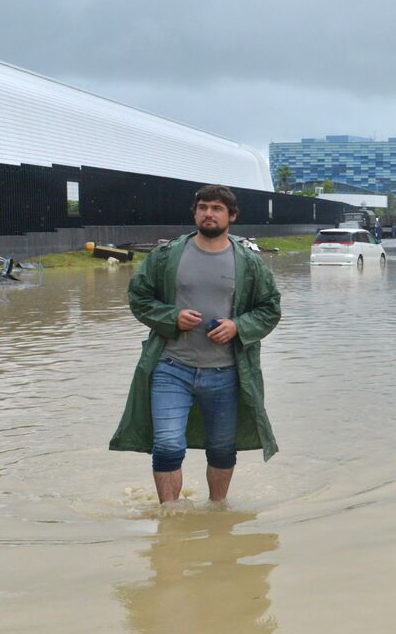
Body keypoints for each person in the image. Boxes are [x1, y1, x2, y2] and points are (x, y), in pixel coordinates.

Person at [110, 185, 282, 505]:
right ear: (195, 213)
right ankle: (170, 518)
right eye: (203, 207)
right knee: (167, 446)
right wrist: (170, 317)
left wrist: (237, 326)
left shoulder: (249, 262)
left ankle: (217, 510)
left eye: (217, 208)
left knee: (221, 448)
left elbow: (270, 308)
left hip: (227, 371)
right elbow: (138, 297)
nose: (208, 213)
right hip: (171, 367)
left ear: (231, 216)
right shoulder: (167, 255)